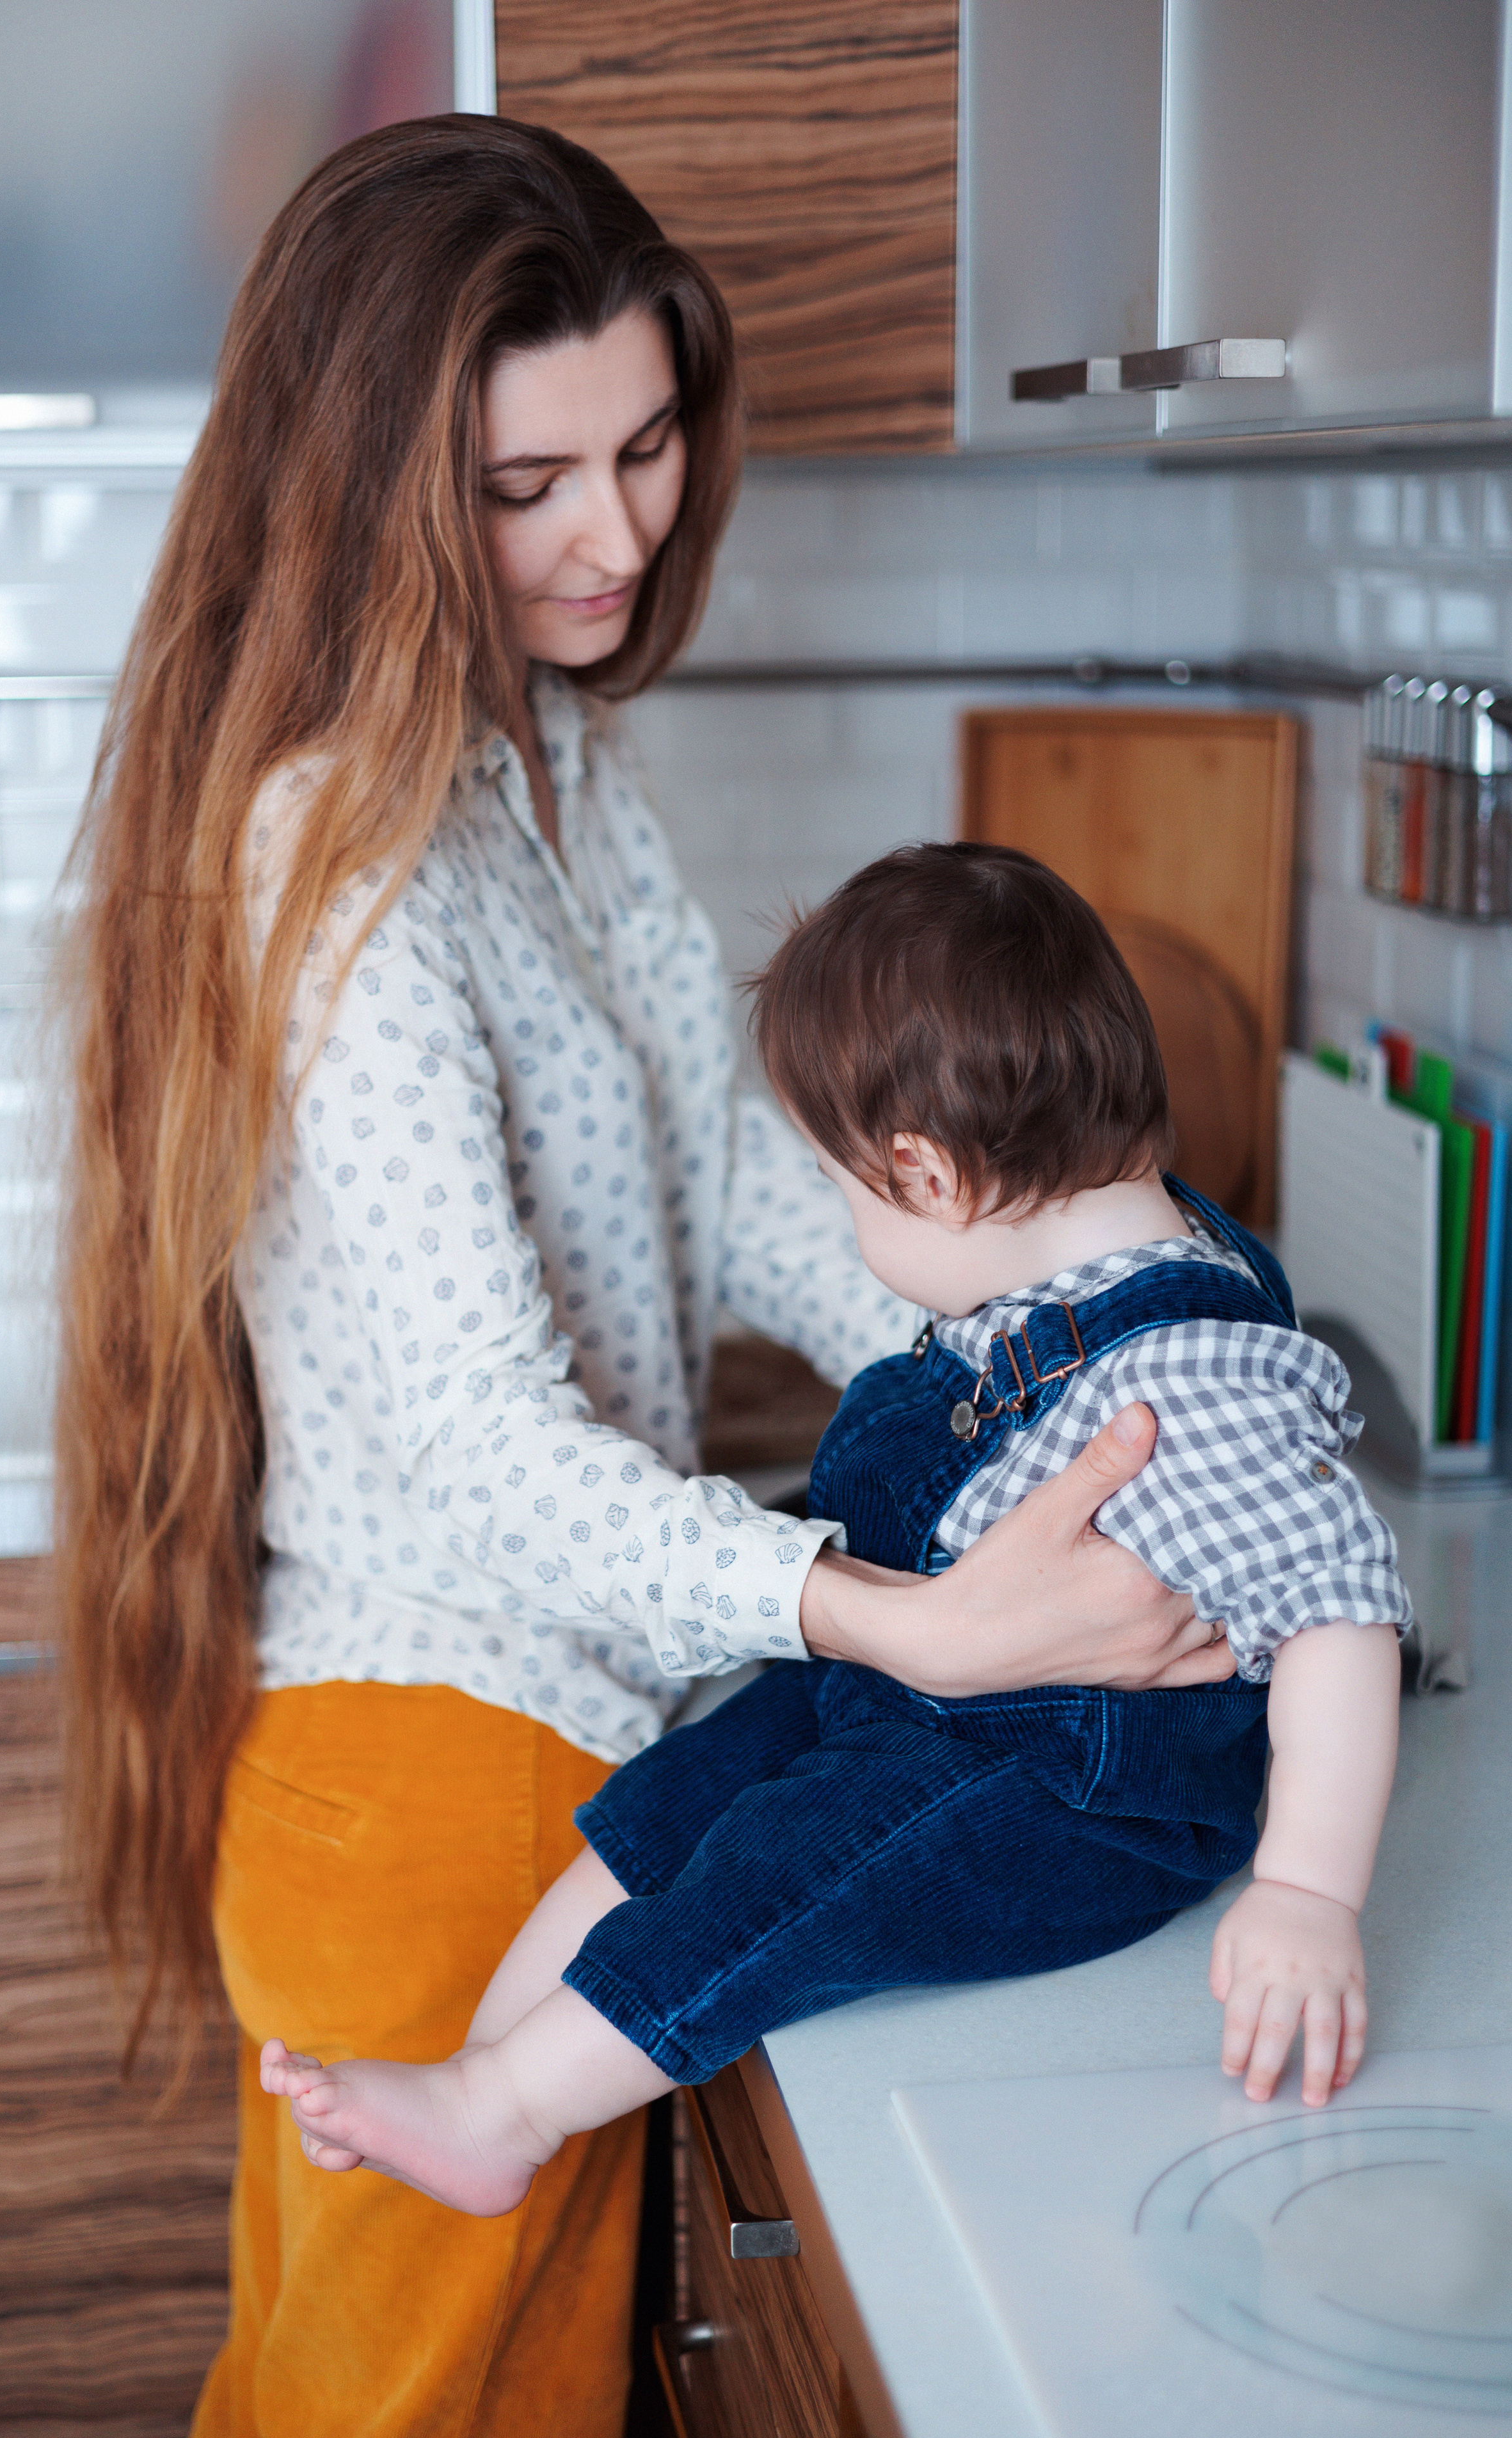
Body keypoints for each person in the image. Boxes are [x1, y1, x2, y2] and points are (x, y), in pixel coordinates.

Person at [56, 117, 1239, 2438]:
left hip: (546, 1757)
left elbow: (725, 1166)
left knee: (383, 2413)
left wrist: (1073, 1345)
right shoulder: (342, 859)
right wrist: (911, 1620)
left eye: (648, 442)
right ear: (376, 485)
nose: (617, 532)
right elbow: (492, 1457)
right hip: (441, 1777)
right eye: (525, 483)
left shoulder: (548, 760)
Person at [259, 844, 1410, 2216]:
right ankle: (483, 2063)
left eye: (844, 1187)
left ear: (923, 1174)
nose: (845, 1216)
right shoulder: (1083, 1258)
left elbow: (1343, 1614)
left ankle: (501, 2112)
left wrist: (1305, 1895)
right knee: (694, 1784)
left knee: (779, 1869)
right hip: (935, 1698)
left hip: (1070, 1799)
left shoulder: (1198, 1377)